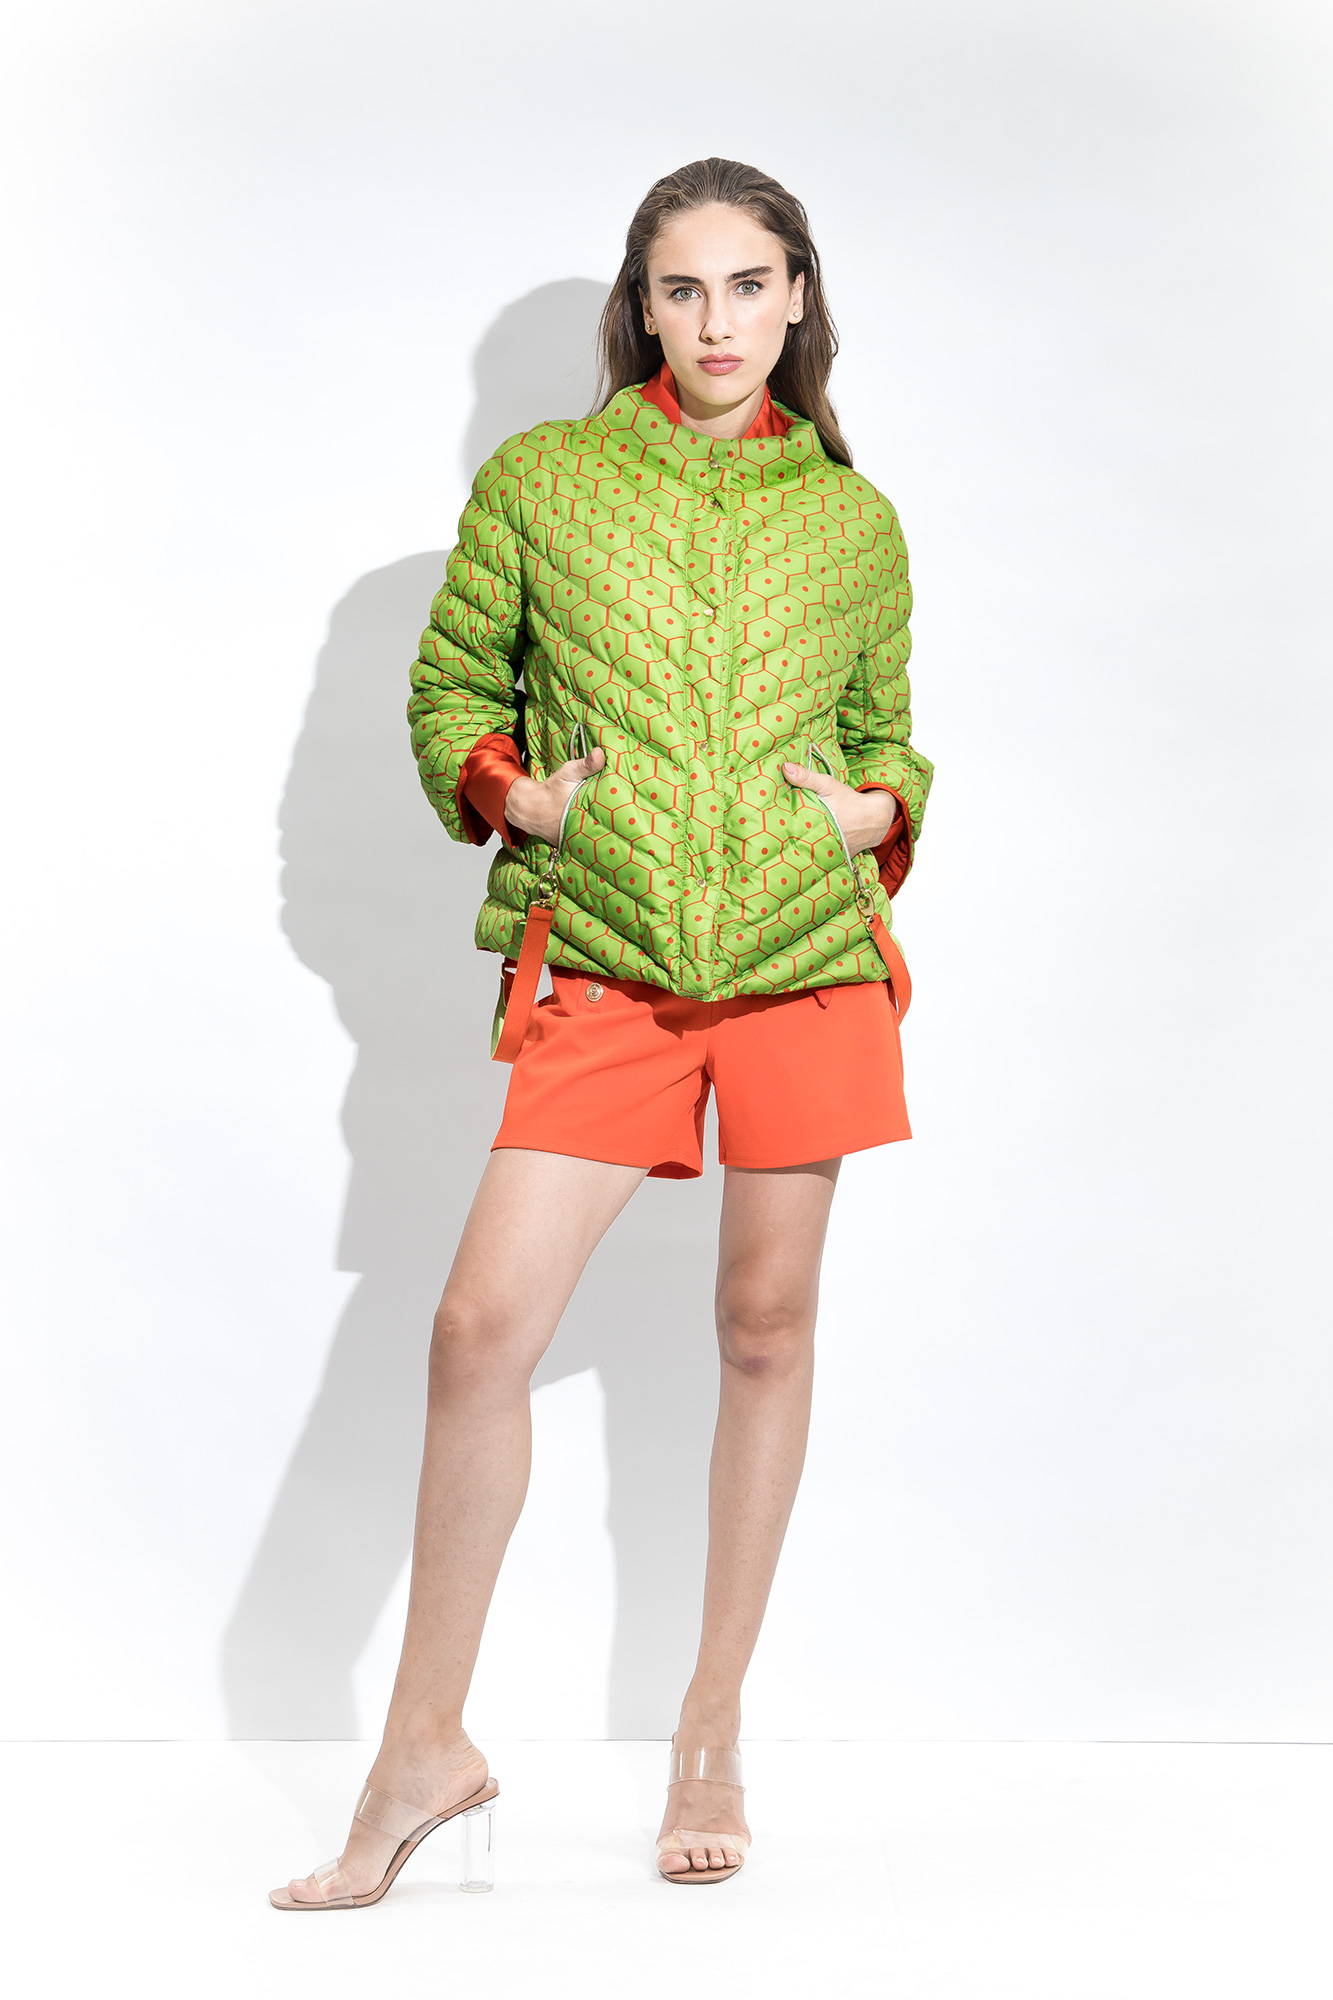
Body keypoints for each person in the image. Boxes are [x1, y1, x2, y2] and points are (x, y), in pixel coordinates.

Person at [269, 155, 932, 1908]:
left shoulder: (853, 522)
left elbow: (888, 735)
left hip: (804, 955)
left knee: (763, 1328)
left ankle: (710, 1728)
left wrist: (881, 812)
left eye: (749, 284)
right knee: (477, 1326)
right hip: (609, 960)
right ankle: (423, 1747)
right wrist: (518, 797)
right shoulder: (543, 481)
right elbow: (447, 690)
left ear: (797, 300)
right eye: (681, 287)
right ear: (641, 306)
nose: (716, 321)